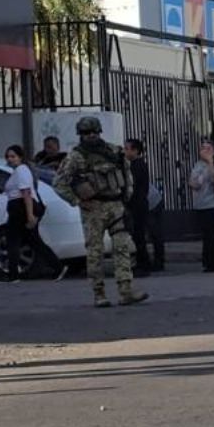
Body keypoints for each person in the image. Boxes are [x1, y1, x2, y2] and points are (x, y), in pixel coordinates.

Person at [53, 117, 147, 307]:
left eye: (94, 131)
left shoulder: (114, 151)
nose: (91, 136)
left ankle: (126, 290)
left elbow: (127, 176)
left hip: (115, 206)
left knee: (122, 248)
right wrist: (77, 201)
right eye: (87, 133)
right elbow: (59, 183)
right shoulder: (75, 157)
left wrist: (125, 198)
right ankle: (99, 293)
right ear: (81, 135)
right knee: (95, 252)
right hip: (93, 209)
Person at [0, 145, 67, 283]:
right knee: (33, 241)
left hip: (20, 208)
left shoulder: (22, 170)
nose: (10, 159)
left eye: (13, 156)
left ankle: (13, 275)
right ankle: (58, 267)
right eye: (8, 156)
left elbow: (26, 193)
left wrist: (30, 215)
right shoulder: (18, 171)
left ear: (20, 157)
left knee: (13, 239)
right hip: (19, 207)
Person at [189, 139, 214, 272]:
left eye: (208, 148)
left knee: (212, 235)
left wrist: (210, 161)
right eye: (202, 148)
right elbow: (193, 183)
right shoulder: (198, 165)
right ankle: (211, 262)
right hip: (201, 204)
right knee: (207, 235)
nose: (204, 151)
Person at [123, 138, 152, 277]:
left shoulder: (137, 165)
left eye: (128, 148)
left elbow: (132, 186)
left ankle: (143, 265)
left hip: (138, 205)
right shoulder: (131, 165)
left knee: (139, 235)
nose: (125, 151)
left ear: (135, 150)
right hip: (135, 205)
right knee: (136, 236)